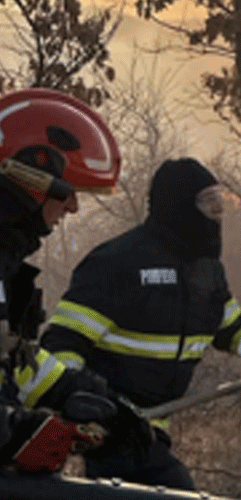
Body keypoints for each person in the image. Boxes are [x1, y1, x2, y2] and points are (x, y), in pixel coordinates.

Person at [39, 157, 241, 489]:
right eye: (208, 201)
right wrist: (90, 406)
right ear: (180, 205)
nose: (218, 210)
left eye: (218, 200)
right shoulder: (116, 263)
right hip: (112, 432)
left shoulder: (206, 270)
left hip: (152, 431)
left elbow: (235, 331)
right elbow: (63, 346)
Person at [0, 87, 137, 473]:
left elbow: (17, 362)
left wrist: (92, 398)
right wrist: (15, 432)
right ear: (30, 182)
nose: (74, 207)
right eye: (67, 193)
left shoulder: (6, 271)